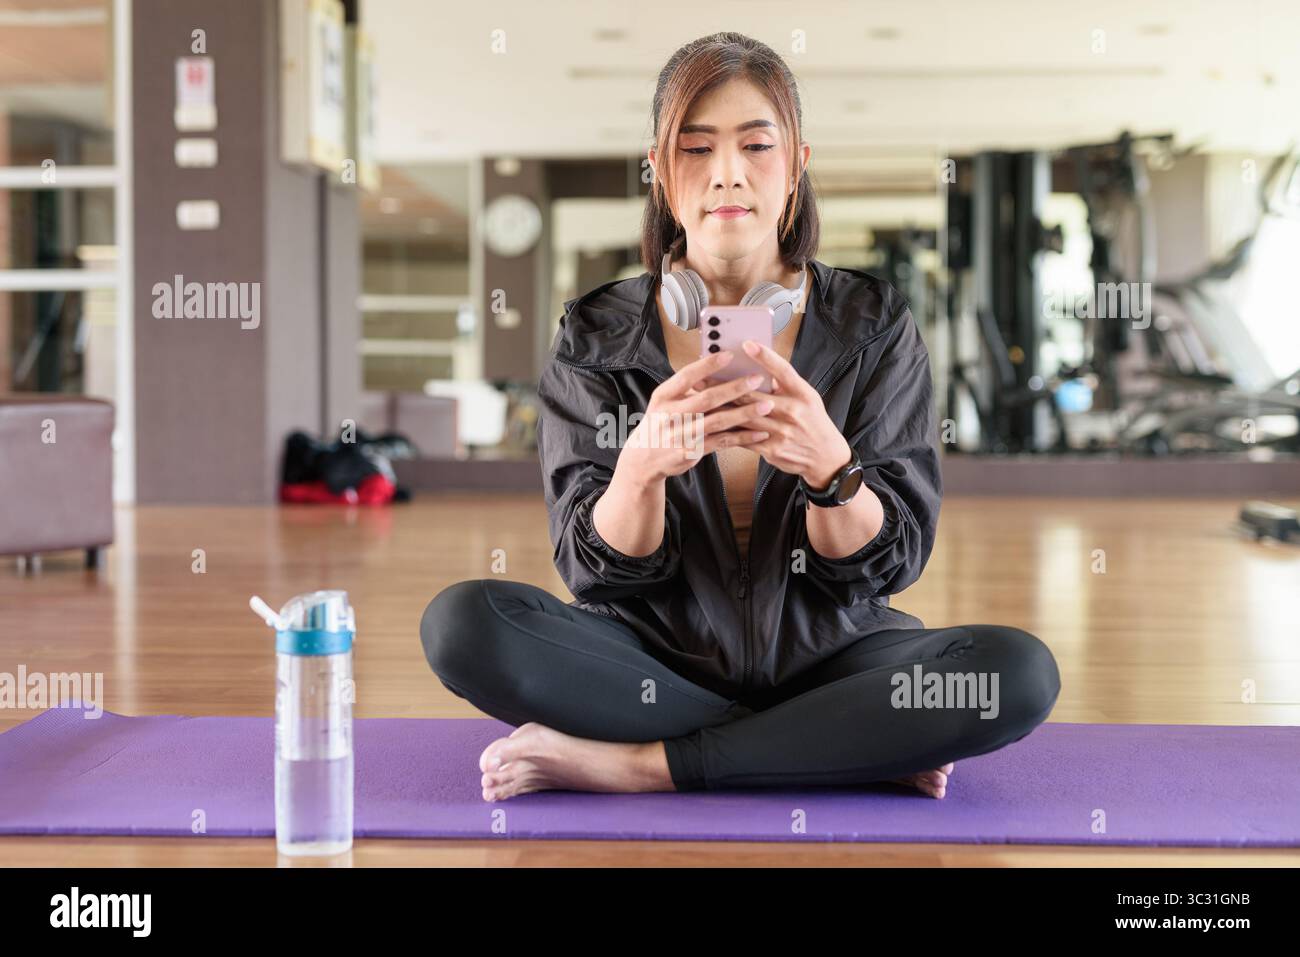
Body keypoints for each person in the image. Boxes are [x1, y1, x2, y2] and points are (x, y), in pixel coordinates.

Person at [420, 32, 1060, 802]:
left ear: (795, 166)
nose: (728, 173)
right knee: (462, 623)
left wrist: (833, 469)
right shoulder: (595, 333)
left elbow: (894, 562)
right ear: (659, 174)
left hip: (835, 655)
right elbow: (590, 570)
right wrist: (642, 467)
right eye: (695, 149)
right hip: (652, 662)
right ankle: (831, 743)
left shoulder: (872, 320)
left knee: (1014, 675)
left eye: (757, 145)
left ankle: (643, 764)